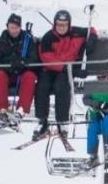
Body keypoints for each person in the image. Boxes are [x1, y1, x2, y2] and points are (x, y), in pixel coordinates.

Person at [33, 10, 95, 141]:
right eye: (59, 24)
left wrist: (92, 40)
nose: (61, 27)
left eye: (64, 25)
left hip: (66, 70)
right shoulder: (48, 37)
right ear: (55, 24)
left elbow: (92, 30)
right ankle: (42, 120)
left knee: (62, 86)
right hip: (51, 69)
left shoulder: (76, 33)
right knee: (42, 86)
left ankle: (62, 121)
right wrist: (65, 68)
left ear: (69, 25)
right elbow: (46, 58)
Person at [0, 14, 38, 127]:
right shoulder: (0, 42)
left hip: (22, 73)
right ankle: (2, 110)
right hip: (7, 73)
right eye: (12, 27)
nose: (14, 30)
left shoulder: (28, 41)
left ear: (20, 27)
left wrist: (24, 63)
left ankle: (21, 111)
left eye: (16, 27)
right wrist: (9, 65)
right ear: (7, 27)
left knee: (30, 76)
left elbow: (34, 58)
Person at [83, 75, 108, 167]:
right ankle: (93, 155)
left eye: (104, 76)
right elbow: (85, 100)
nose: (101, 79)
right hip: (96, 113)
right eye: (99, 77)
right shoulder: (93, 86)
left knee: (107, 121)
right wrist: (98, 104)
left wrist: (107, 109)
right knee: (92, 128)